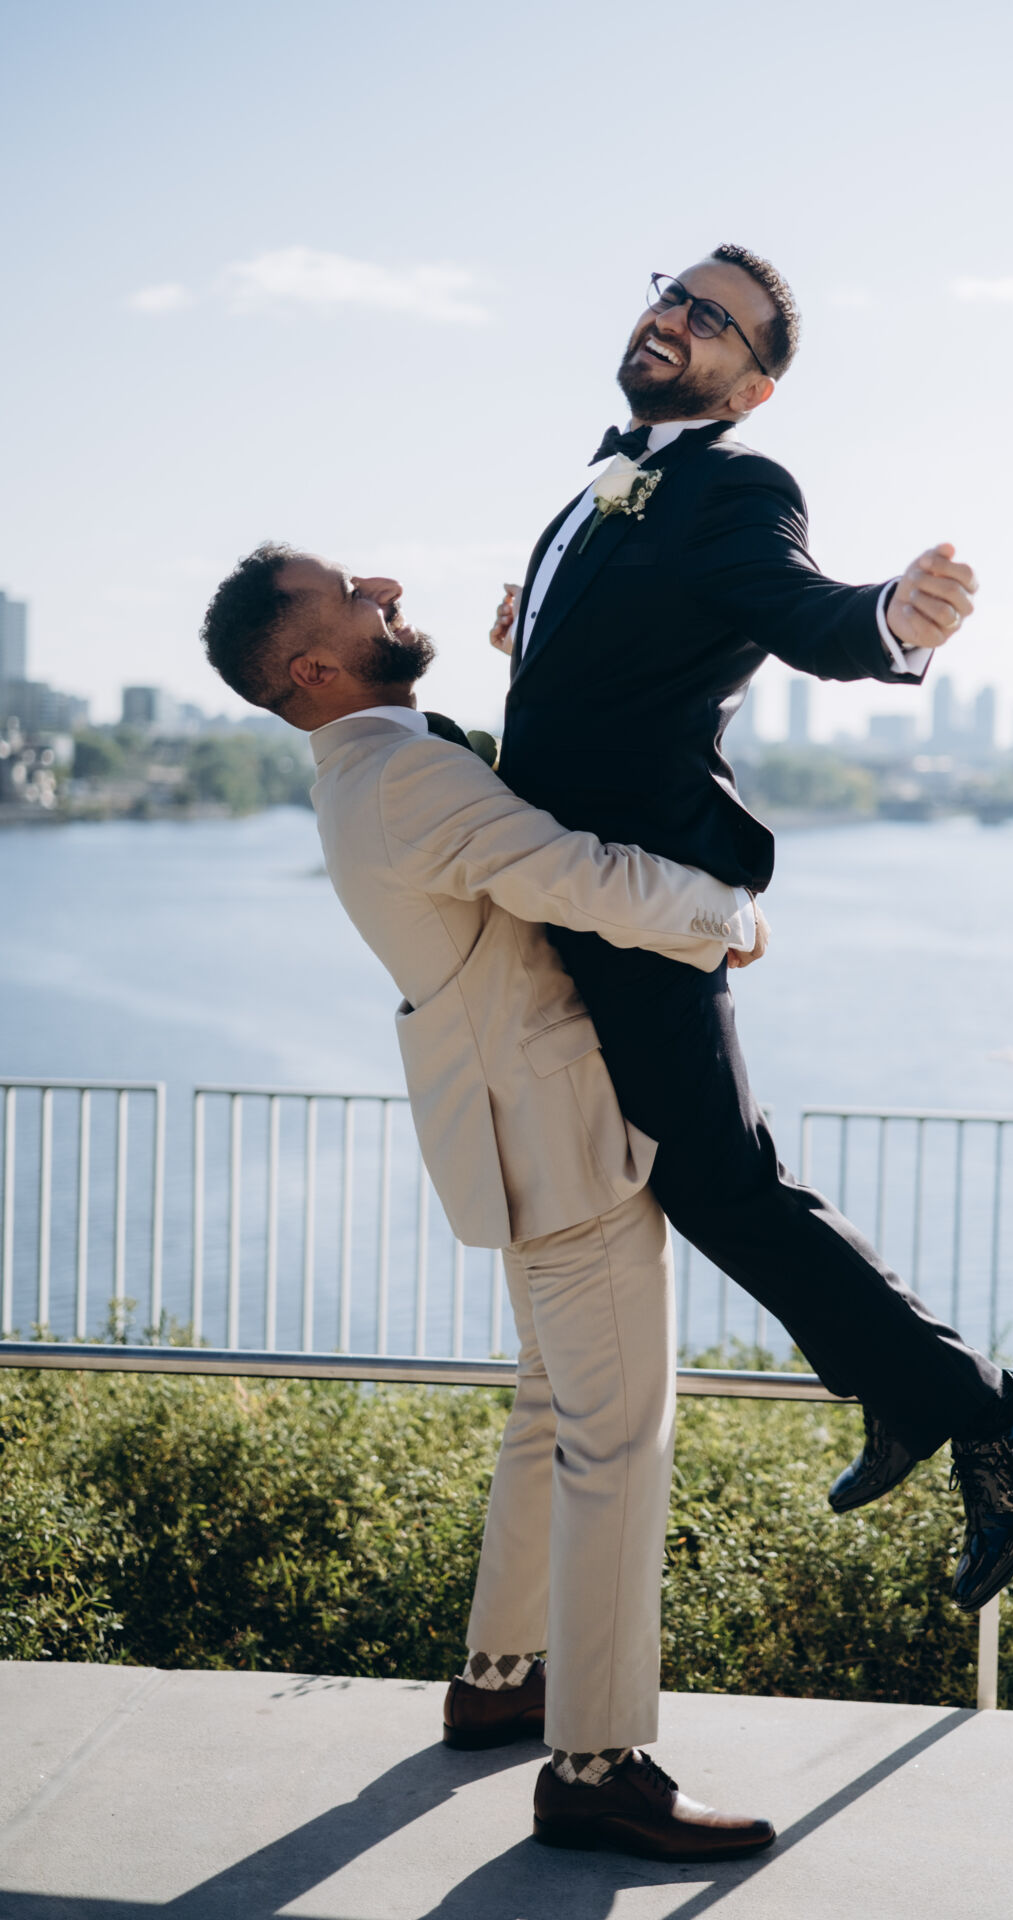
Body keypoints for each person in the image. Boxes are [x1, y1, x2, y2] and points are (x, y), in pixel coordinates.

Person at [494, 246, 1013, 1629]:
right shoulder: (608, 478)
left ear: (751, 386)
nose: (675, 318)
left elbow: (802, 608)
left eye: (714, 320)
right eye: (673, 292)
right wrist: (534, 643)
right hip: (583, 884)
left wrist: (890, 620)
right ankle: (918, 1394)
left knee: (720, 1180)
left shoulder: (737, 485)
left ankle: (992, 1409)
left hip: (642, 892)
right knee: (709, 1176)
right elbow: (623, 670)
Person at [199, 545, 776, 1862]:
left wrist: (541, 677)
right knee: (616, 1441)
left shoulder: (377, 767)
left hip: (515, 1129)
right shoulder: (405, 777)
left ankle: (502, 1679)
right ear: (313, 667)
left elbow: (510, 822)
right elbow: (574, 873)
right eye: (352, 595)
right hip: (560, 1136)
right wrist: (730, 917)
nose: (385, 589)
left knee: (553, 1411)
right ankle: (595, 1765)